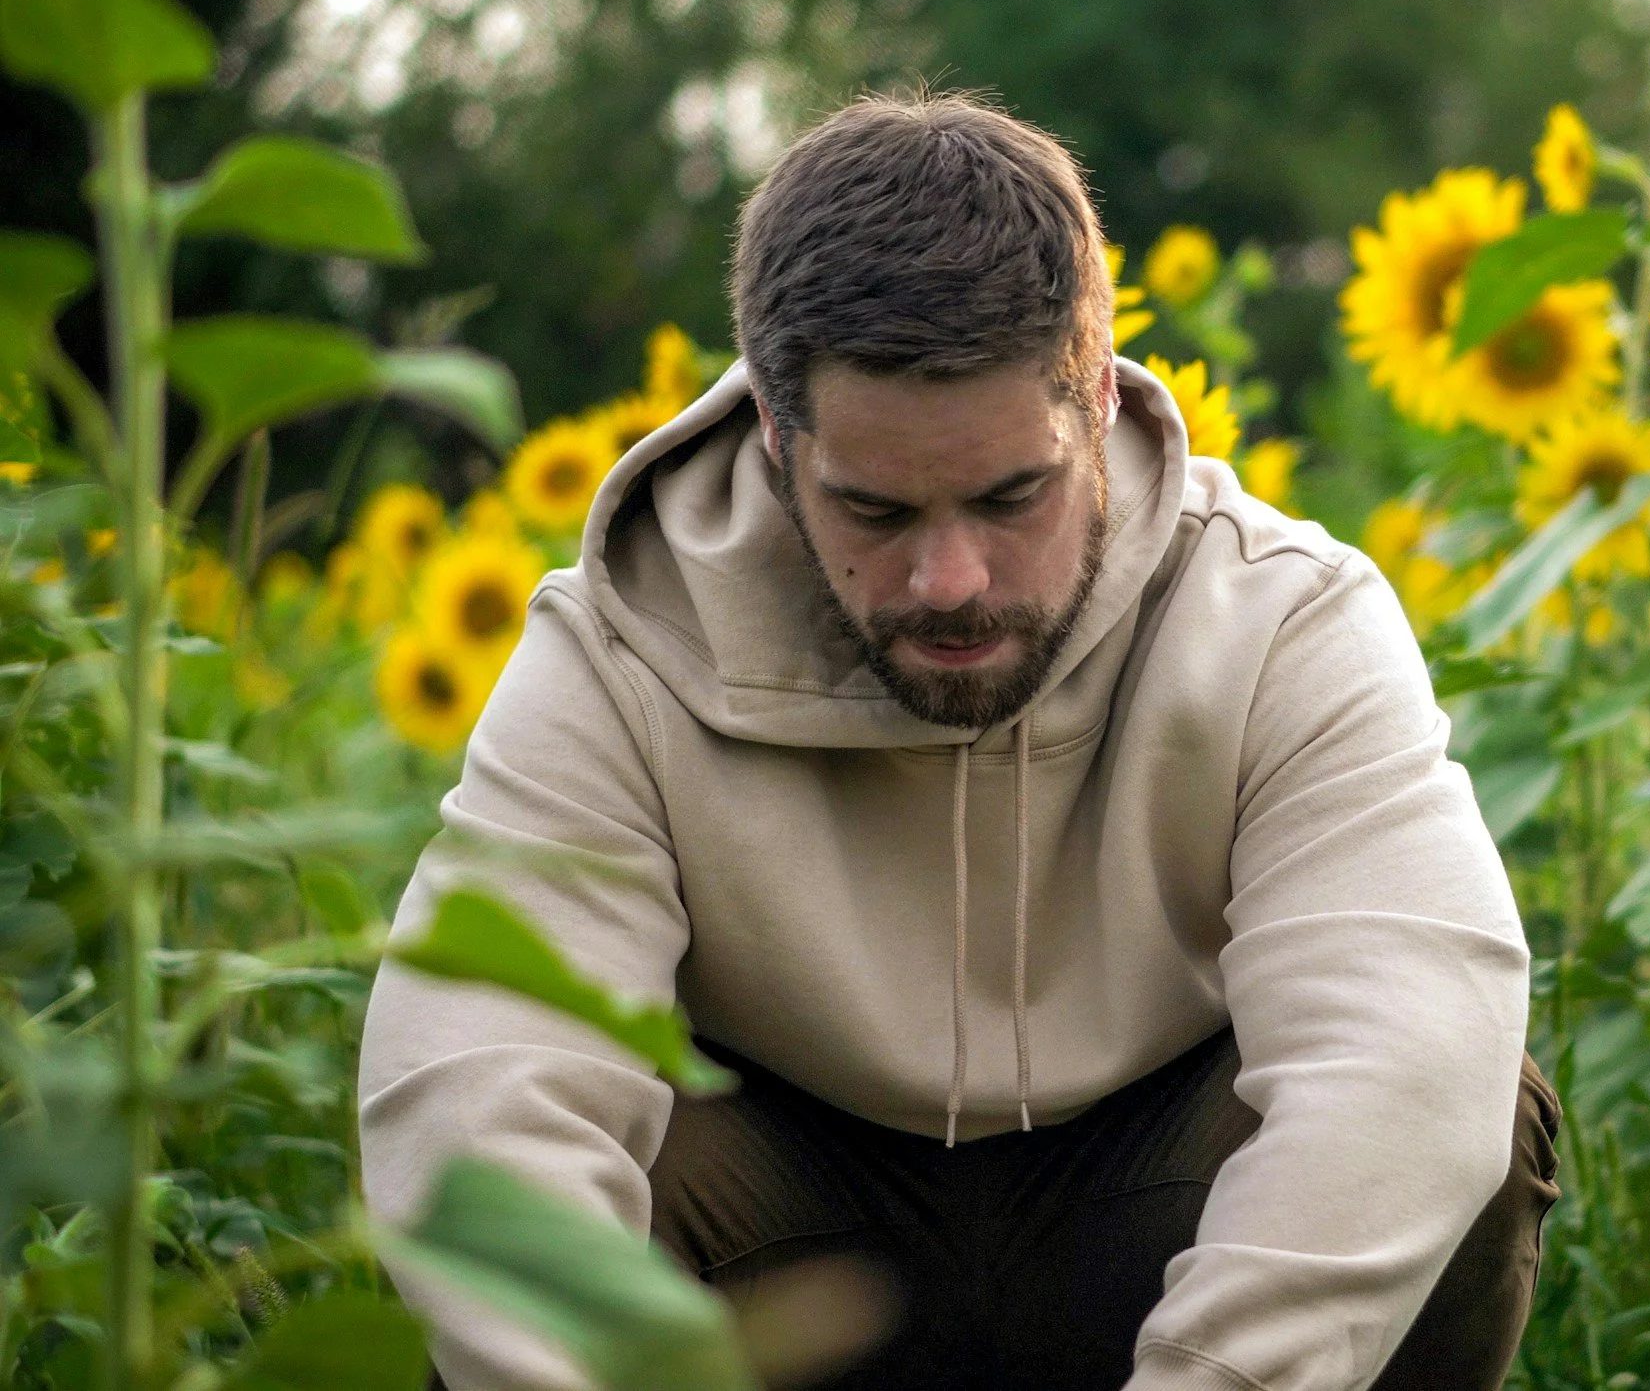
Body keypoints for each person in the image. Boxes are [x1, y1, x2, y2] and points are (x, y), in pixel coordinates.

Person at [358, 89, 1556, 1391]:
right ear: (774, 428)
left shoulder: (1283, 620)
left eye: (1011, 495)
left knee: (1474, 1115)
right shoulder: (615, 652)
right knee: (508, 1212)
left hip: (1162, 1229)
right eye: (873, 506)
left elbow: (1408, 1053)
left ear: (1097, 397)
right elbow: (478, 1079)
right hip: (782, 1272)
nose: (948, 577)